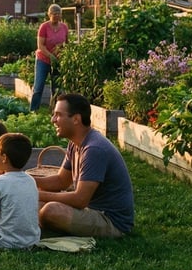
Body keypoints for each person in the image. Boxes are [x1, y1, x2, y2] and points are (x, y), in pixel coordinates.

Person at [36, 93, 134, 238]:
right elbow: (61, 181)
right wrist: (27, 180)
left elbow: (80, 200)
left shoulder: (94, 149)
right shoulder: (75, 143)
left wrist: (38, 194)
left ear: (76, 119)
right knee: (34, 205)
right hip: (91, 210)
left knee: (50, 211)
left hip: (110, 220)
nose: (53, 120)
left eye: (58, 115)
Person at [31, 4, 69, 111]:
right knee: (38, 86)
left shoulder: (64, 27)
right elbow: (40, 45)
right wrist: (51, 56)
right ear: (49, 15)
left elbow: (67, 43)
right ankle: (33, 111)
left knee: (56, 88)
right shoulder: (44, 27)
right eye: (54, 14)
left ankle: (54, 111)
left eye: (59, 14)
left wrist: (63, 54)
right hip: (43, 60)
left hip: (58, 61)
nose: (57, 16)